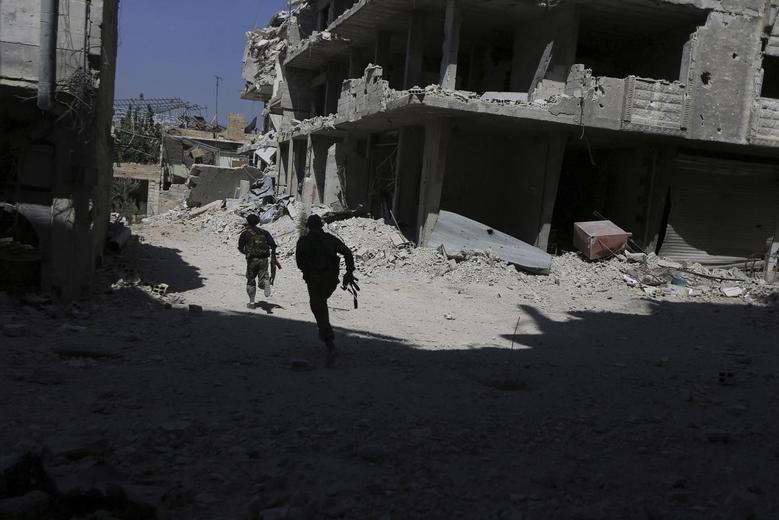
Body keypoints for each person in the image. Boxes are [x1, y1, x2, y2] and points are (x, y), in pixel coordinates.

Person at [295, 214, 357, 367]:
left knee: (318, 307)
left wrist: (310, 272)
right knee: (320, 304)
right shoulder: (330, 239)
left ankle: (330, 344)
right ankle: (326, 336)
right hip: (330, 281)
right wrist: (349, 272)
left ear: (308, 226)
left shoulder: (303, 241)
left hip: (314, 280)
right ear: (321, 225)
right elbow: (348, 253)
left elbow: (300, 263)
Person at [238, 214, 277, 309]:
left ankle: (252, 303)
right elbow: (273, 245)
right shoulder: (264, 232)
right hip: (264, 260)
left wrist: (246, 253)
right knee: (263, 277)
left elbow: (240, 247)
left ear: (247, 222)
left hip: (252, 260)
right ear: (258, 222)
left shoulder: (245, 233)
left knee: (251, 280)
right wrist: (273, 256)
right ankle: (265, 283)